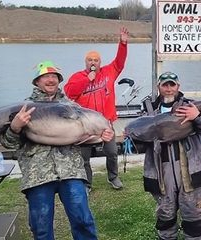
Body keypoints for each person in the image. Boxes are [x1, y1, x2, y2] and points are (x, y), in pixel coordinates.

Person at [0, 60, 114, 240]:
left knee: (83, 221)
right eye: (45, 76)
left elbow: (84, 138)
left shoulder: (73, 107)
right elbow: (8, 143)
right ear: (37, 81)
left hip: (71, 172)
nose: (51, 80)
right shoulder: (22, 108)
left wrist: (102, 137)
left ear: (59, 81)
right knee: (41, 227)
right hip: (38, 175)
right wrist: (15, 127)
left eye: (54, 76)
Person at [141, 71, 201, 239]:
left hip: (191, 174)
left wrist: (198, 116)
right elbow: (141, 145)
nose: (169, 89)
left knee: (193, 220)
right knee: (165, 218)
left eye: (172, 85)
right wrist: (133, 137)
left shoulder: (191, 106)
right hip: (161, 176)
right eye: (165, 85)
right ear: (158, 87)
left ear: (178, 87)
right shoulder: (148, 111)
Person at [64, 27, 128, 190]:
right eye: (90, 60)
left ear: (100, 62)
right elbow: (69, 92)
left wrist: (123, 43)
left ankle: (113, 177)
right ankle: (87, 183)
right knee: (84, 156)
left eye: (96, 60)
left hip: (105, 123)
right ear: (86, 62)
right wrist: (87, 79)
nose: (93, 62)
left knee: (112, 152)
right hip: (84, 125)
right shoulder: (78, 77)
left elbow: (119, 62)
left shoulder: (108, 72)